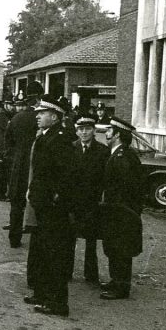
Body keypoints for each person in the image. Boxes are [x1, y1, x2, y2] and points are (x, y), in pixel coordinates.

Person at [22, 94, 76, 316]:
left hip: (53, 208)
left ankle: (57, 302)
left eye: (42, 113)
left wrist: (55, 197)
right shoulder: (47, 137)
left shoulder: (60, 139)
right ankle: (43, 295)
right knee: (44, 252)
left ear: (54, 116)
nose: (37, 116)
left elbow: (66, 174)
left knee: (54, 254)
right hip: (43, 204)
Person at [98, 116, 145, 300]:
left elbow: (126, 187)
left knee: (121, 248)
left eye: (110, 130)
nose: (107, 133)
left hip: (121, 211)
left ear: (117, 135)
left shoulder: (123, 156)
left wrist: (118, 207)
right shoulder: (118, 154)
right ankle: (115, 280)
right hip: (116, 210)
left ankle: (121, 286)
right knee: (114, 246)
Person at [67, 114, 108, 284]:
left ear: (94, 131)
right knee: (69, 238)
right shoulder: (70, 148)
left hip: (92, 201)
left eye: (88, 129)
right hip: (73, 201)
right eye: (81, 129)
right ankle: (66, 271)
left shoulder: (103, 151)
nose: (84, 133)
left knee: (91, 239)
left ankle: (91, 274)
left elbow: (105, 179)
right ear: (76, 131)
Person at [5, 81, 44, 248]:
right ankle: (36, 237)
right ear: (39, 98)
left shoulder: (15, 118)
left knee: (16, 202)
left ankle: (14, 237)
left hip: (17, 164)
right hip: (33, 165)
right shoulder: (40, 119)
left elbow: (8, 142)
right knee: (35, 201)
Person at [0, 97, 15, 201]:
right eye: (10, 105)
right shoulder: (2, 116)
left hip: (2, 147)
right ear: (5, 105)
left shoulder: (3, 115)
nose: (12, 107)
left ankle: (1, 193)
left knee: (4, 170)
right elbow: (3, 135)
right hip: (2, 147)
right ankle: (0, 194)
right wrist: (3, 148)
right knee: (4, 171)